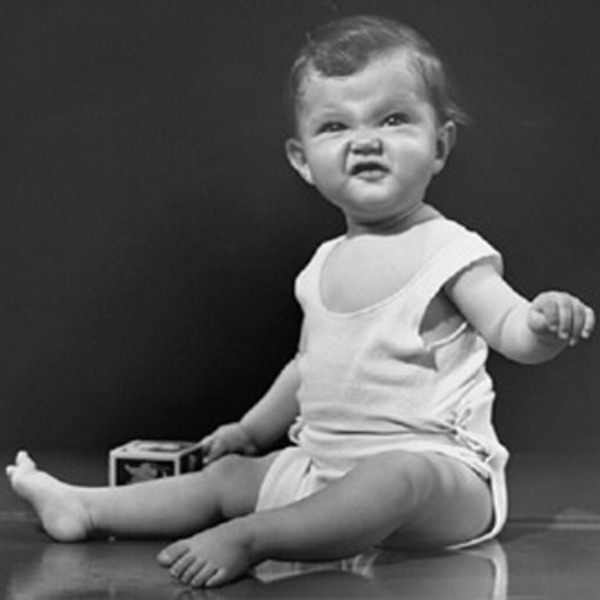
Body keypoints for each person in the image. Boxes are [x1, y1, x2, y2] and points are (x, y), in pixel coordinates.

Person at [6, 14, 595, 589]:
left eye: (393, 119)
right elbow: (309, 367)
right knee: (228, 478)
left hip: (442, 482)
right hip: (325, 470)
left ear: (438, 146)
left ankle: (255, 537)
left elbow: (509, 327)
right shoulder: (321, 266)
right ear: (302, 160)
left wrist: (541, 323)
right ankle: (85, 508)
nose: (365, 140)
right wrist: (250, 428)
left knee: (396, 477)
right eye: (335, 126)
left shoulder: (449, 249)